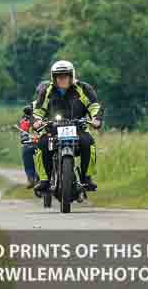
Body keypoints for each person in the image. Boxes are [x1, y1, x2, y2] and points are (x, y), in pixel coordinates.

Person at [32, 59, 103, 194]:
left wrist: (96, 119)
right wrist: (37, 121)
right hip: (53, 129)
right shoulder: (47, 90)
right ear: (54, 78)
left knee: (89, 143)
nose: (62, 79)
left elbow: (94, 105)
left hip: (77, 128)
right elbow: (38, 110)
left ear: (71, 76)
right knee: (41, 144)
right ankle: (44, 180)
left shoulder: (83, 88)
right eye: (59, 76)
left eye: (65, 76)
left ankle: (86, 177)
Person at [18, 105, 37, 188]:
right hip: (34, 141)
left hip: (51, 139)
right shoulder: (33, 107)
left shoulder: (54, 106)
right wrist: (24, 136)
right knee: (26, 150)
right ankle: (31, 177)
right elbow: (24, 125)